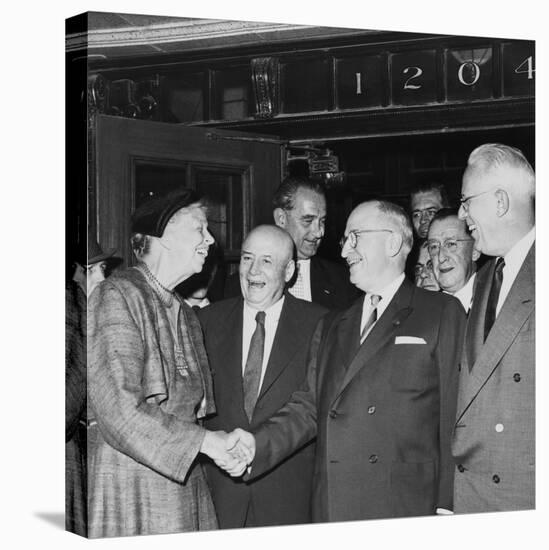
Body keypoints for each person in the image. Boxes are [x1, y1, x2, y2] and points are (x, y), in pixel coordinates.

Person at [229, 200, 466, 522]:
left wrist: (447, 503)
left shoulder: (440, 312)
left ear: (393, 242)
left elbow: (456, 415)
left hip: (405, 506)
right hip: (335, 505)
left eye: (355, 237)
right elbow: (308, 407)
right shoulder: (332, 324)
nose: (344, 251)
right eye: (345, 241)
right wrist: (256, 444)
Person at [87, 189, 247, 538]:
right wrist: (206, 443)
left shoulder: (187, 314)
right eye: (199, 229)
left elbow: (195, 415)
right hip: (132, 485)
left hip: (186, 483)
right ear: (164, 236)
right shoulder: (117, 295)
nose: (210, 241)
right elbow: (118, 409)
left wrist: (221, 446)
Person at [199, 225, 327, 528]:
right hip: (219, 500)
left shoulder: (321, 323)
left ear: (289, 270)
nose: (253, 270)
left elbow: (313, 409)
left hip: (289, 502)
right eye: (247, 258)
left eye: (267, 261)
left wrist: (258, 445)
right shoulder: (205, 322)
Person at [452, 143, 535, 513]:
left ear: (500, 202)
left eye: (467, 201)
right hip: (472, 494)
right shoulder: (486, 277)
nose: (460, 213)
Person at [66, 236, 117, 537]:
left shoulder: (88, 307)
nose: (103, 277)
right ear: (78, 271)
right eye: (96, 269)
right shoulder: (71, 305)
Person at [427, 208, 480, 312]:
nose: (441, 258)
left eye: (451, 244)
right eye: (434, 247)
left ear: (475, 250)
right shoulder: (427, 311)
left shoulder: (495, 298)